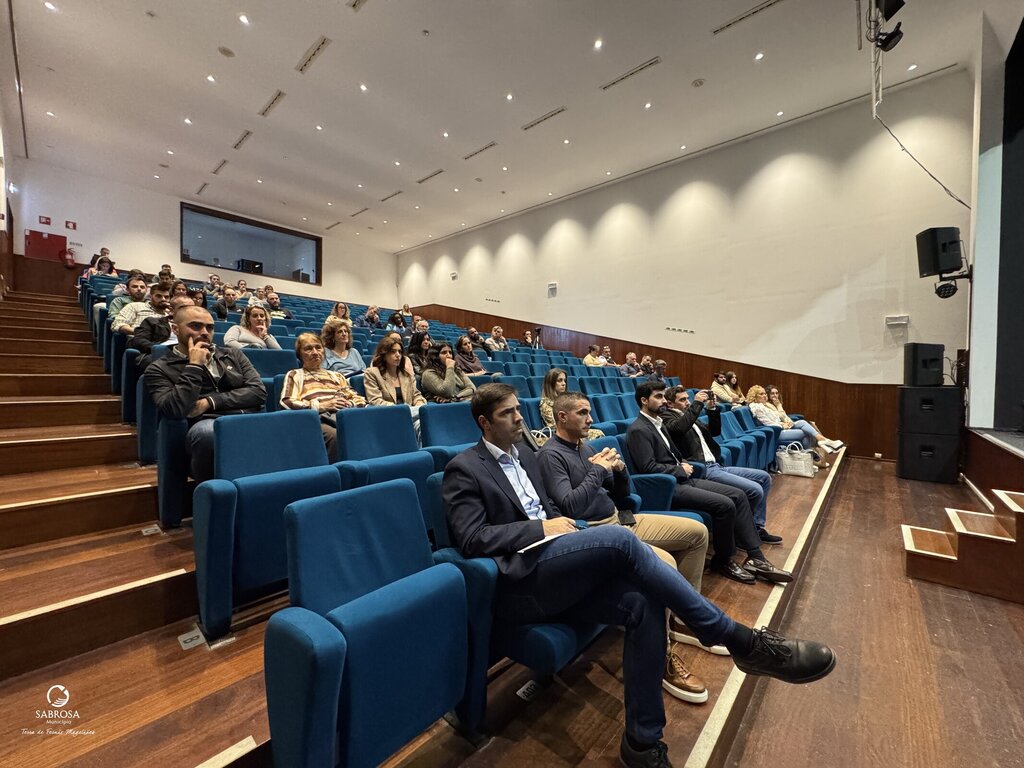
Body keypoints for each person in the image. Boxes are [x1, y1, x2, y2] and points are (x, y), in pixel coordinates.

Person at [443, 384, 836, 768]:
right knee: (621, 540)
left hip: (560, 561)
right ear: (484, 422)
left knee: (643, 602)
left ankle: (642, 742)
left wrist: (583, 504)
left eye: (517, 409)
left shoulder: (526, 458)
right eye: (507, 413)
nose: (518, 417)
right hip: (522, 582)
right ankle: (737, 639)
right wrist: (542, 528)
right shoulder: (464, 468)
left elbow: (554, 508)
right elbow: (472, 539)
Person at [539, 391, 722, 690]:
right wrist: (598, 470)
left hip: (622, 519)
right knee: (665, 563)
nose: (591, 419)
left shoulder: (585, 448)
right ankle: (662, 657)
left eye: (590, 412)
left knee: (696, 533)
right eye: (583, 413)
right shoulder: (550, 455)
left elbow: (621, 494)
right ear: (562, 416)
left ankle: (682, 616)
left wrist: (621, 471)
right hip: (596, 532)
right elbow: (571, 506)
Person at [626, 381, 792, 585]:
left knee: (738, 495)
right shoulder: (638, 429)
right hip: (668, 487)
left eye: (663, 396)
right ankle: (723, 561)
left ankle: (755, 557)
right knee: (725, 504)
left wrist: (683, 463)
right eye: (658, 397)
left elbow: (674, 454)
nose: (663, 401)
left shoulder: (657, 423)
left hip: (685, 478)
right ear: (644, 400)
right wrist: (679, 469)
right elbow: (647, 467)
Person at [144, 304, 266, 482]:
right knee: (209, 433)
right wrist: (194, 366)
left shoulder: (233, 355)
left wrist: (209, 401)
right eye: (195, 326)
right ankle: (214, 491)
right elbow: (175, 408)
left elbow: (258, 391)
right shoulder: (159, 368)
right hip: (207, 423)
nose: (204, 332)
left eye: (209, 327)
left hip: (247, 417)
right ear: (175, 329)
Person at [663, 386, 780, 545]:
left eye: (687, 399)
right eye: (682, 400)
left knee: (764, 478)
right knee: (755, 489)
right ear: (670, 404)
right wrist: (697, 403)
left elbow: (714, 431)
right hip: (703, 469)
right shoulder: (667, 417)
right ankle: (743, 532)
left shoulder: (689, 416)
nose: (687, 402)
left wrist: (712, 409)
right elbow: (679, 428)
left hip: (716, 465)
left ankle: (756, 527)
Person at [280, 333, 366, 462]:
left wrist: (350, 404)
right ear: (300, 354)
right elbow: (287, 402)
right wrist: (320, 406)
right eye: (308, 349)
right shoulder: (295, 375)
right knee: (336, 436)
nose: (315, 352)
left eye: (318, 347)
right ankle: (339, 471)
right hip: (317, 420)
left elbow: (358, 398)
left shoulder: (337, 376)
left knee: (369, 429)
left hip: (343, 415)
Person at [748, 385, 842, 454]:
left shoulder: (763, 406)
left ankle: (822, 442)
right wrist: (782, 425)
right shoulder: (756, 408)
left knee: (802, 422)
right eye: (761, 394)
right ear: (755, 396)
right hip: (775, 432)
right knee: (805, 432)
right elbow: (767, 423)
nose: (765, 395)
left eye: (765, 393)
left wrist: (785, 423)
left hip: (780, 427)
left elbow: (777, 419)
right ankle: (818, 449)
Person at [362, 337, 427, 409]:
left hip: (409, 412)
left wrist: (419, 402)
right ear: (384, 355)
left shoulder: (407, 375)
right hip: (387, 413)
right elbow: (375, 400)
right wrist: (399, 409)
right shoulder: (372, 373)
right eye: (393, 351)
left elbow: (416, 395)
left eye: (400, 352)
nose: (398, 355)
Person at [130, 295, 194, 368]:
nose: (189, 311)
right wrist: (160, 349)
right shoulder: (152, 322)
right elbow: (139, 341)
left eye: (192, 308)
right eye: (184, 308)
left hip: (188, 354)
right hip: (160, 354)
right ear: (171, 310)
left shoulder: (198, 327)